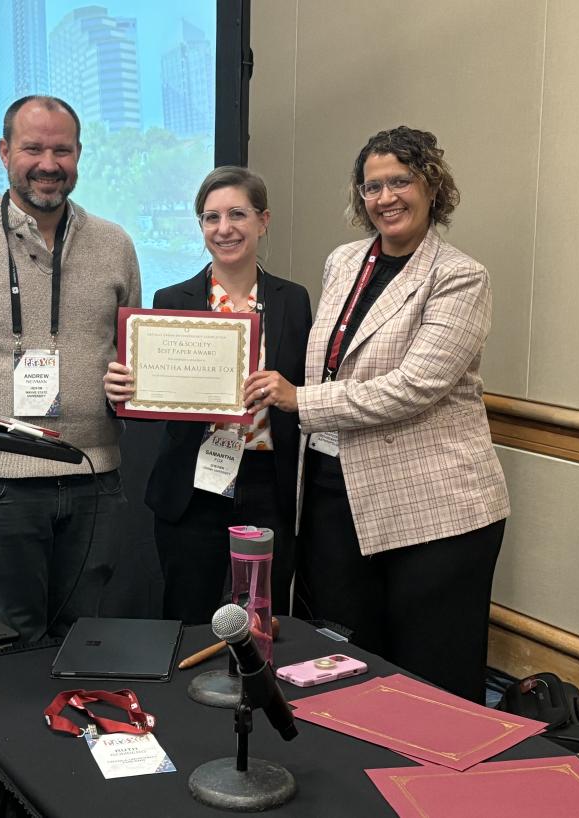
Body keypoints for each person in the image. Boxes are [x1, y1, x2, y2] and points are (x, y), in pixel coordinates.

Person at [243, 127, 510, 702]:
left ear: (432, 186)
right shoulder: (344, 261)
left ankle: (434, 787)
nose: (385, 197)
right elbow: (331, 360)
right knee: (349, 660)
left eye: (400, 181)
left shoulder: (459, 276)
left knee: (430, 674)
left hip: (434, 508)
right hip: (334, 490)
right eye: (372, 186)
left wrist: (298, 399)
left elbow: (415, 387)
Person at [0, 95, 141, 644]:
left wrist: (132, 384)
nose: (48, 163)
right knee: (15, 639)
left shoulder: (116, 245)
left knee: (83, 636)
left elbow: (130, 350)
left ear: (79, 155)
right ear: (3, 151)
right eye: (32, 147)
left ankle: (79, 726)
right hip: (1, 484)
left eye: (61, 149)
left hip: (93, 476)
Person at [104, 166, 311, 625]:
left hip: (266, 483)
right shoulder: (172, 300)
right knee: (188, 616)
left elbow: (307, 393)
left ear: (264, 220)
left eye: (238, 214)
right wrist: (122, 392)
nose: (224, 228)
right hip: (192, 486)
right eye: (210, 217)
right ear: (200, 226)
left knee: (263, 617)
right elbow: (150, 405)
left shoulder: (293, 301)